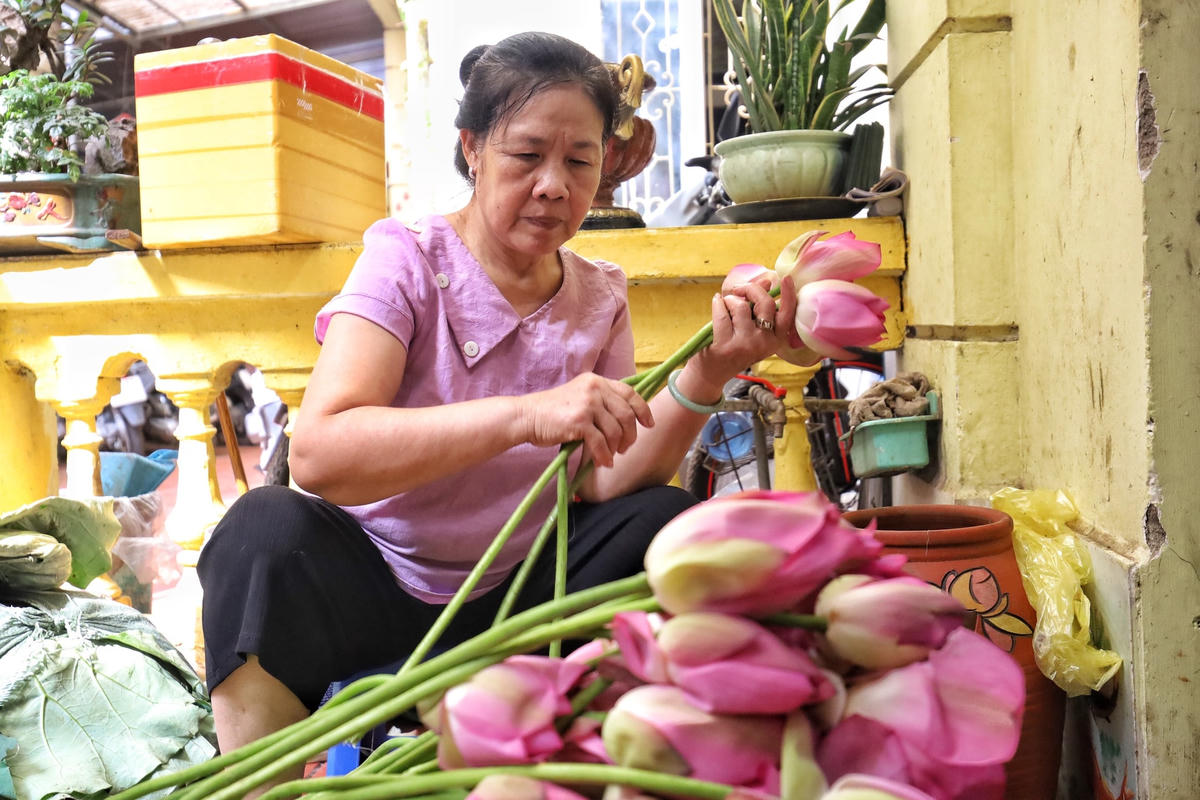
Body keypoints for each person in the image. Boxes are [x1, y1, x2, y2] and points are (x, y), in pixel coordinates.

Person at [196, 30, 799, 791]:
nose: (553, 185)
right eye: (527, 155)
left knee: (666, 523)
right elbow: (319, 455)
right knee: (263, 530)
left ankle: (593, 763)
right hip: (375, 589)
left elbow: (601, 480)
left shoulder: (600, 293)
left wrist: (711, 369)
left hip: (522, 602)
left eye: (579, 161)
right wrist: (524, 415)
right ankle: (255, 784)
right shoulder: (406, 258)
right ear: (473, 148)